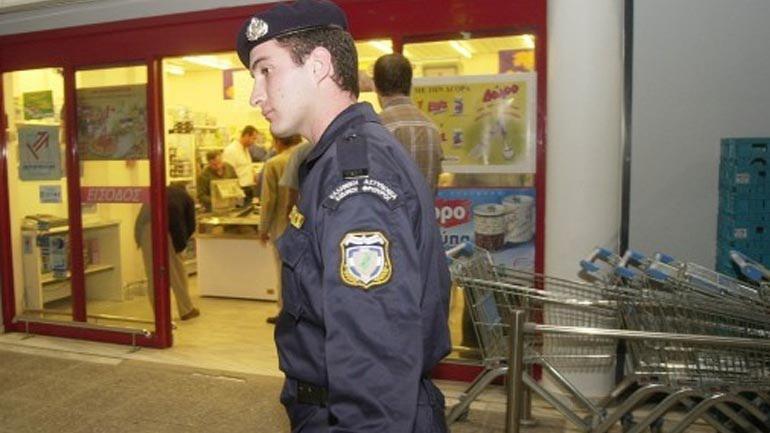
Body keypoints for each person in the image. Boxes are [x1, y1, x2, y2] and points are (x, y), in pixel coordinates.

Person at [236, 1, 451, 431]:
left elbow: (375, 358)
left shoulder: (356, 176)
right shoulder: (338, 159)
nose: (255, 95)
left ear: (318, 65)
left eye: (266, 71)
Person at [374, 53, 444, 194]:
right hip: (427, 208)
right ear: (410, 85)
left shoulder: (376, 128)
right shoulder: (432, 128)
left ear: (376, 87)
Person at [134, 184, 200, 321]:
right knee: (177, 273)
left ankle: (160, 316)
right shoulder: (186, 197)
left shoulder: (159, 190)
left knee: (153, 275)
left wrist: (139, 240)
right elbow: (191, 225)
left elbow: (140, 219)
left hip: (145, 231)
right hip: (166, 228)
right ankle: (186, 310)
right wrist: (180, 246)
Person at [260, 133, 302, 324]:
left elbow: (269, 200)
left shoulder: (274, 163)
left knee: (283, 270)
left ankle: (285, 311)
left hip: (282, 225)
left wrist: (263, 228)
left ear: (277, 141)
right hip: (308, 225)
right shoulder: (310, 155)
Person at [223, 125, 259, 204]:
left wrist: (254, 174)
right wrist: (236, 193)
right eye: (253, 138)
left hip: (248, 188)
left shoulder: (245, 149)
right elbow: (228, 174)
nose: (254, 142)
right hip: (239, 190)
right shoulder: (231, 150)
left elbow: (246, 166)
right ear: (246, 135)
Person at [278, 140, 313, 216]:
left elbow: (292, 191)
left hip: (309, 211)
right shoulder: (337, 145)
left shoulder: (302, 150)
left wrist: (288, 213)